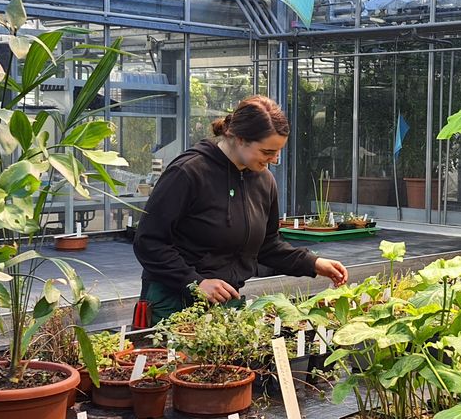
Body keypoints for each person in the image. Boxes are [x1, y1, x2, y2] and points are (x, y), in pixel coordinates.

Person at [133, 95, 348, 326]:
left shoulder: (264, 181)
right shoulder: (188, 173)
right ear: (240, 138)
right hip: (172, 302)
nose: (274, 160)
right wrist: (195, 283)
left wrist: (313, 263)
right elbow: (148, 242)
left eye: (278, 152)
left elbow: (267, 247)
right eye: (267, 152)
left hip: (226, 302)